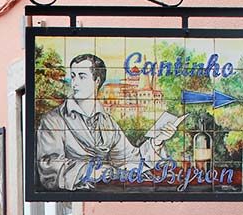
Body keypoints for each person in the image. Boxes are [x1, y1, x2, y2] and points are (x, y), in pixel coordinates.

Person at [36, 53, 179, 191]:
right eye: (73, 76)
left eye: (81, 77)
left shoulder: (107, 122)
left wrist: (157, 141)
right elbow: (49, 166)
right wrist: (93, 171)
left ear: (97, 81)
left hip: (105, 191)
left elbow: (128, 158)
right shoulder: (53, 120)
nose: (74, 83)